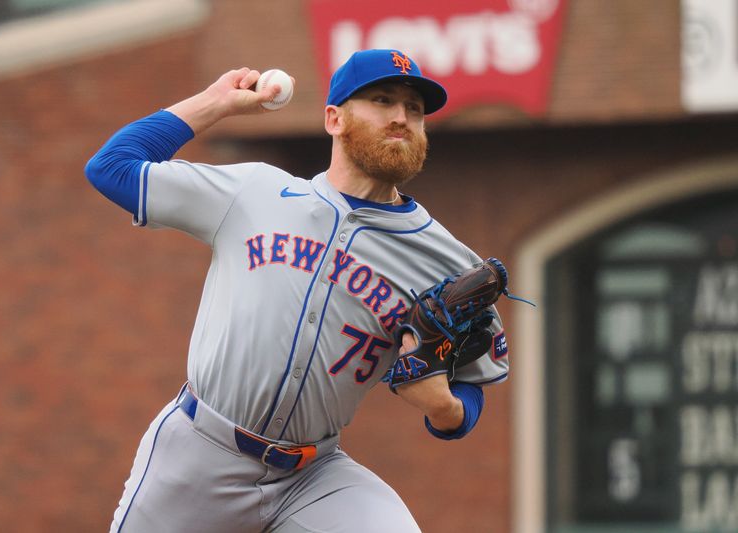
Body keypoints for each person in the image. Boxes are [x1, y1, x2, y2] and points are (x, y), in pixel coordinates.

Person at [85, 48, 509, 533]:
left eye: (415, 109)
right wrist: (215, 103)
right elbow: (111, 168)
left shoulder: (447, 261)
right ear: (334, 119)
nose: (401, 117)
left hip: (313, 476)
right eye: (383, 100)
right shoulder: (255, 192)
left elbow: (474, 383)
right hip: (199, 455)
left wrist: (443, 406)